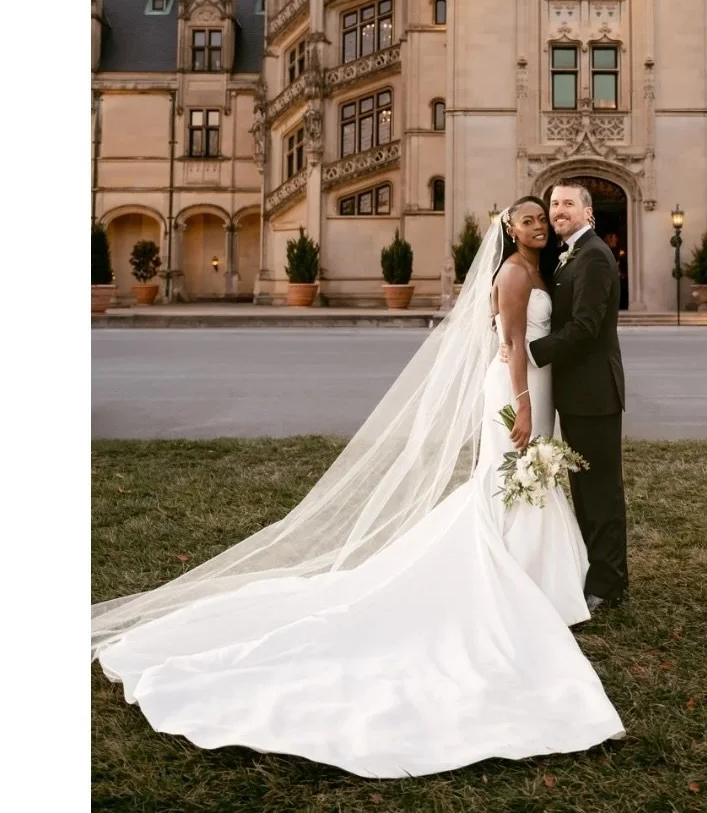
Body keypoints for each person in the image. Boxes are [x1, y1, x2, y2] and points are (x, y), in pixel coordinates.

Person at [91, 199, 624, 779]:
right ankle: (517, 574)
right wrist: (521, 401)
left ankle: (535, 573)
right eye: (531, 219)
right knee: (509, 480)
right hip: (520, 387)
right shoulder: (515, 273)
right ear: (509, 228)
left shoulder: (546, 266)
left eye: (547, 217)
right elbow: (513, 342)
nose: (542, 224)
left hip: (537, 385)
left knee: (525, 482)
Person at [522, 182, 628, 613]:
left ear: (589, 213)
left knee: (600, 490)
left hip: (595, 392)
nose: (558, 210)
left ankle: (609, 584)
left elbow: (585, 326)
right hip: (577, 391)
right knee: (582, 488)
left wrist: (532, 352)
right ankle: (591, 571)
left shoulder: (596, 256)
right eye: (554, 204)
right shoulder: (570, 254)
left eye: (568, 203)